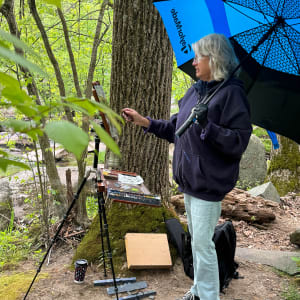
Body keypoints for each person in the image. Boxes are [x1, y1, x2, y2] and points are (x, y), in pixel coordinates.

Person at [122, 33, 252, 300]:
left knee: (203, 245)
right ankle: (198, 290)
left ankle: (208, 296)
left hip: (208, 184)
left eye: (198, 57)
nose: (193, 63)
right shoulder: (196, 91)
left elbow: (238, 142)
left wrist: (209, 126)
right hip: (189, 180)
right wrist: (143, 121)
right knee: (196, 242)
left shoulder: (232, 95)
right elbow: (175, 129)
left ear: (213, 59)